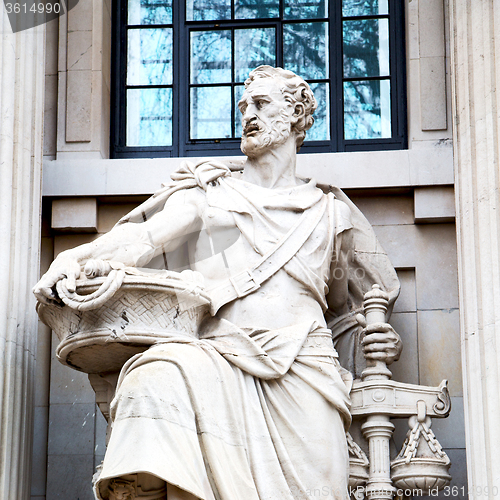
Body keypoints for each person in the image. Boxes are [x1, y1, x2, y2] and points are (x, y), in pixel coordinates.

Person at [34, 66, 401, 500]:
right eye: (244, 106)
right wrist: (72, 257)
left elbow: (355, 310)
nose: (248, 114)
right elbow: (139, 240)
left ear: (298, 114)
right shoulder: (213, 198)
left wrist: (378, 338)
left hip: (306, 370)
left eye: (262, 104)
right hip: (217, 356)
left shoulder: (330, 213)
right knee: (153, 375)